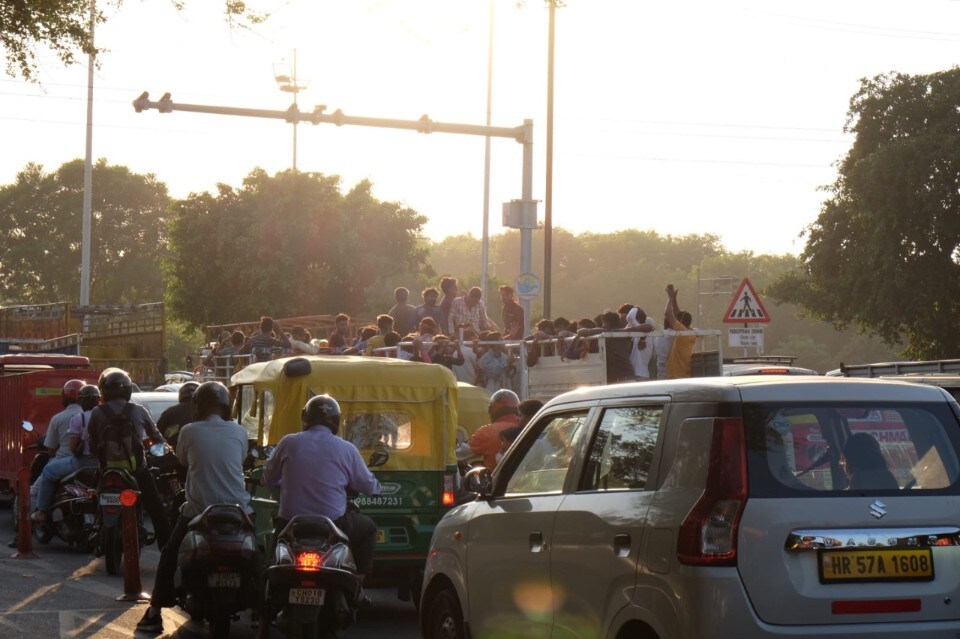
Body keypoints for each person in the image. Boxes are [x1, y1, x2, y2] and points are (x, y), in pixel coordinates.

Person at [136, 381, 252, 634]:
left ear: (198, 407)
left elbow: (182, 460)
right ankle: (262, 611)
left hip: (198, 510)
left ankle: (155, 611)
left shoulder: (189, 431)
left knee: (169, 554)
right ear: (227, 407)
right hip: (238, 511)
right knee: (257, 554)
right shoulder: (240, 431)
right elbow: (241, 460)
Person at [262, 395, 381, 599]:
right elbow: (369, 485)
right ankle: (358, 587)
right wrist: (377, 488)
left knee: (272, 558)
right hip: (334, 524)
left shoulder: (288, 442)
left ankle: (265, 600)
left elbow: (268, 477)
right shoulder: (346, 449)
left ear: (306, 417)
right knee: (368, 528)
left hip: (291, 524)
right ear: (336, 421)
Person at [86, 368, 171, 549]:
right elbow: (157, 438)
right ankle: (166, 550)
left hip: (106, 470)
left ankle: (93, 528)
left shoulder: (97, 412)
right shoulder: (138, 410)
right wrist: (164, 449)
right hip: (137, 470)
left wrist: (97, 454)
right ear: (128, 390)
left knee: (91, 497)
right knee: (156, 508)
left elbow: (90, 442)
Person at [32, 383, 101, 519]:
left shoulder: (78, 418)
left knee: (48, 472)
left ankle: (41, 511)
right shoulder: (108, 417)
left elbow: (71, 448)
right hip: (104, 463)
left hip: (81, 463)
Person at [458, 389, 521, 470]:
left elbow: (458, 454)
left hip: (497, 477)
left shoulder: (486, 432)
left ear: (492, 410)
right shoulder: (526, 427)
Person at [156, 381, 199, 452]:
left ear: (181, 395)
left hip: (173, 453)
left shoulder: (169, 412)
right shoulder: (206, 412)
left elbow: (157, 434)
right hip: (201, 453)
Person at [664, 284, 697, 379]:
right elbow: (677, 313)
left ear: (680, 322)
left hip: (677, 376)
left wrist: (670, 298)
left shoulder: (682, 332)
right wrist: (674, 299)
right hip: (684, 375)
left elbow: (668, 314)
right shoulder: (690, 331)